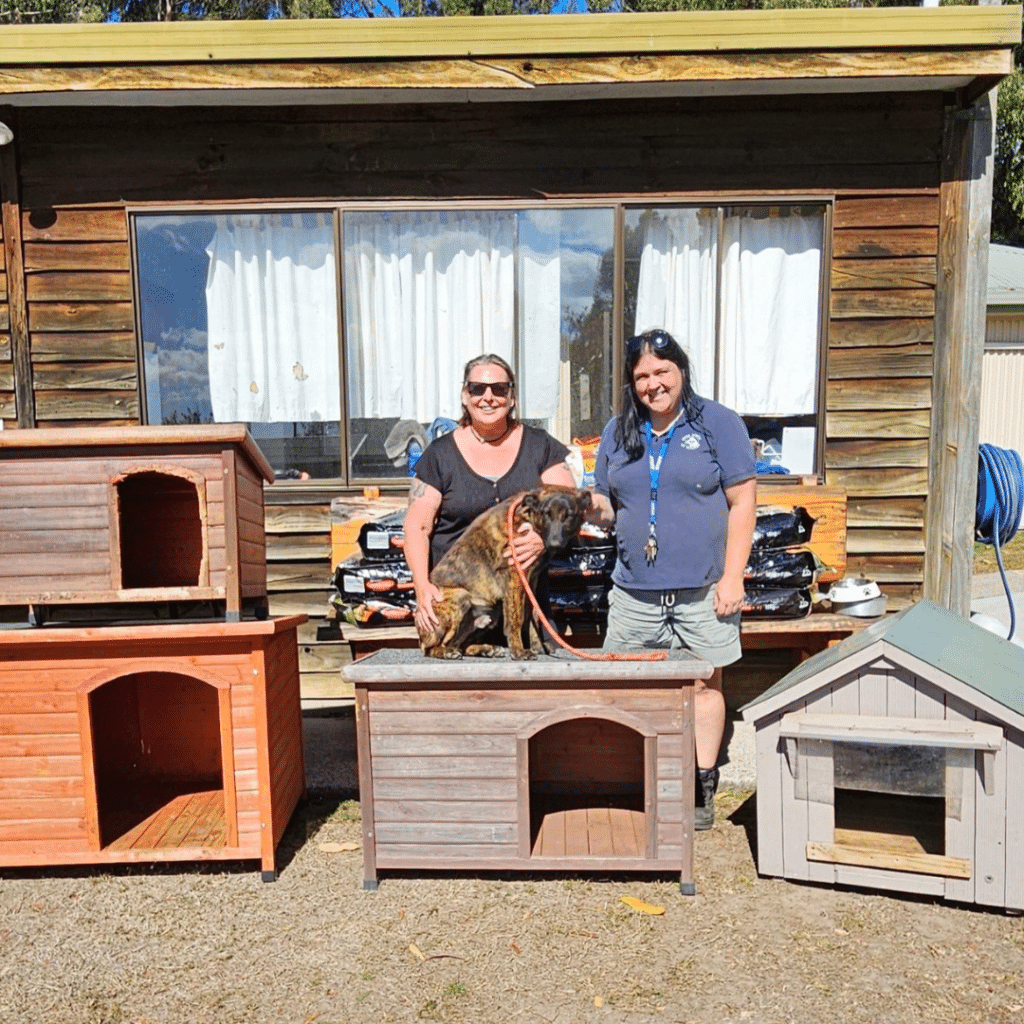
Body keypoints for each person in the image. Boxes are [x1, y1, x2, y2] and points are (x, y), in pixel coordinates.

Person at [587, 328, 757, 830]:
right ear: (631, 383)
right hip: (634, 590)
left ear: (680, 370)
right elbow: (606, 502)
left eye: (663, 371)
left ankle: (702, 787)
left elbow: (743, 502)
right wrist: (582, 507)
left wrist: (733, 578)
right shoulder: (619, 431)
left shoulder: (718, 424)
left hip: (703, 589)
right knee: (627, 688)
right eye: (642, 375)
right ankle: (639, 781)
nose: (653, 383)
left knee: (704, 686)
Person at [406, 353, 577, 635]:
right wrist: (421, 586)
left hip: (526, 606)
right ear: (465, 395)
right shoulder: (439, 455)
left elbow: (568, 502)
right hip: (459, 608)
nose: (488, 397)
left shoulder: (540, 447)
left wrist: (542, 538)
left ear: (511, 398)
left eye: (499, 389)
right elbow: (417, 526)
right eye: (477, 388)